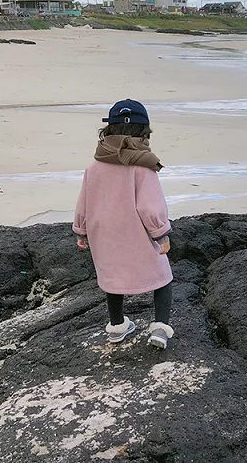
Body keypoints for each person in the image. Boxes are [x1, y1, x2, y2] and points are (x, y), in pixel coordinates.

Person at [73, 99, 174, 349]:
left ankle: (117, 328)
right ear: (144, 133)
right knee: (162, 276)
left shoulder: (95, 167)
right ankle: (160, 328)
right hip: (136, 233)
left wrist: (81, 230)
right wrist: (161, 233)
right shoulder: (143, 167)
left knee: (112, 278)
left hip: (103, 234)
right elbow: (150, 207)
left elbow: (84, 200)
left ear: (108, 131)